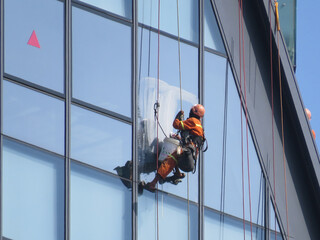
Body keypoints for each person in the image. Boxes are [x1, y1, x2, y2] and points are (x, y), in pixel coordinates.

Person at [144, 104, 205, 192]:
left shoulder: (193, 121)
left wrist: (178, 117)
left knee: (170, 159)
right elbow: (193, 139)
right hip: (190, 159)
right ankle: (177, 174)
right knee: (175, 155)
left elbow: (176, 124)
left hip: (187, 153)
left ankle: (153, 184)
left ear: (193, 112)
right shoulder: (199, 127)